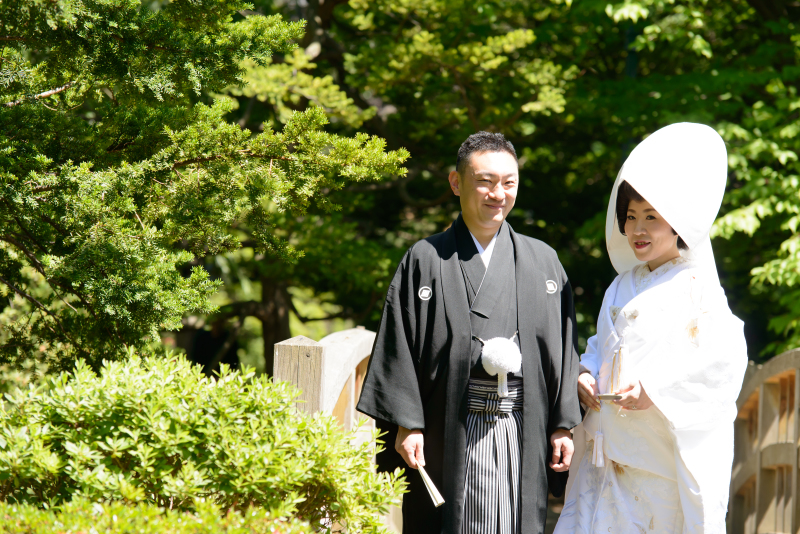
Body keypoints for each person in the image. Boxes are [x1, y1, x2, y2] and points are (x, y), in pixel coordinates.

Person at [357, 132, 582, 534]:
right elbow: (400, 346)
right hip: (448, 427)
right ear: (456, 182)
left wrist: (563, 423)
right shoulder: (425, 258)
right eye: (485, 181)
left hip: (520, 426)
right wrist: (409, 422)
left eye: (509, 183)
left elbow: (564, 351)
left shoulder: (543, 261)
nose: (498, 193)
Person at [554, 123, 748, 534]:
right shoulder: (621, 284)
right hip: (607, 458)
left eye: (651, 218)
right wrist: (585, 375)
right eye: (631, 217)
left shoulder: (699, 289)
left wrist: (654, 392)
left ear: (676, 224)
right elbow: (599, 347)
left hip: (659, 458)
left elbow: (720, 364)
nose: (638, 229)